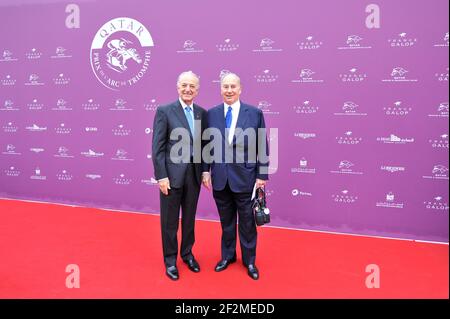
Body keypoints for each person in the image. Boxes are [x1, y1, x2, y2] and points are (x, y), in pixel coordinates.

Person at [202, 72, 269, 280]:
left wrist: (262, 175)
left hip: (246, 177)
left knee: (248, 222)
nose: (229, 90)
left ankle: (249, 261)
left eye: (233, 87)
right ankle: (227, 256)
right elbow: (206, 144)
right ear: (220, 90)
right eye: (225, 87)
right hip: (220, 178)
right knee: (226, 222)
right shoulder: (211, 114)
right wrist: (205, 170)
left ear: (240, 89)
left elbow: (262, 146)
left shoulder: (255, 113)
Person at [152, 71, 208, 280]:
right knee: (169, 222)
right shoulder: (165, 111)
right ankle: (170, 260)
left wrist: (204, 170)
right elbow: (157, 147)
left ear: (197, 90)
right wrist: (161, 176)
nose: (188, 89)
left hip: (193, 176)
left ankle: (187, 254)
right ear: (178, 87)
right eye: (184, 85)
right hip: (171, 177)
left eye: (192, 86)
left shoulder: (202, 113)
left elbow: (204, 145)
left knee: (189, 219)